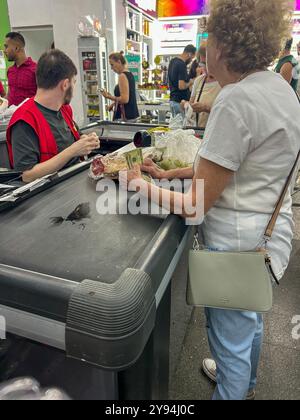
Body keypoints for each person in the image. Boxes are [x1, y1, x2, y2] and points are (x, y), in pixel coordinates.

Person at [120, 0, 300, 400]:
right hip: (268, 237)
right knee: (249, 319)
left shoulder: (235, 101)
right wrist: (168, 174)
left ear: (225, 44)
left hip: (234, 247)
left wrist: (139, 183)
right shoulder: (280, 91)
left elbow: (195, 205)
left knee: (229, 341)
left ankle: (234, 388)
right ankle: (247, 383)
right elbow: (236, 166)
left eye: (209, 38)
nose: (205, 48)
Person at [6, 49, 100, 183]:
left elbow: (76, 139)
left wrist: (86, 141)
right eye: (74, 82)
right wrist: (73, 150)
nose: (74, 88)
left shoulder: (64, 109)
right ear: (65, 84)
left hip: (73, 181)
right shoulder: (24, 120)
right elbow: (26, 175)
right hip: (49, 194)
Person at [182, 44, 222, 128]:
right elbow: (192, 102)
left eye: (208, 63)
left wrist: (206, 108)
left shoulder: (224, 82)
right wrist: (186, 105)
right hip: (199, 132)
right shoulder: (199, 81)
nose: (206, 68)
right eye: (202, 64)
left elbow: (226, 113)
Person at [100, 52, 139, 122]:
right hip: (131, 114)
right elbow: (127, 96)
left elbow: (125, 99)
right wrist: (113, 104)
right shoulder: (129, 74)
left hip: (125, 117)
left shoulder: (122, 76)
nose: (111, 68)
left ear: (119, 62)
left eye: (112, 65)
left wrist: (108, 96)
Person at [4, 32, 37, 106]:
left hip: (28, 116)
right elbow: (9, 95)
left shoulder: (36, 69)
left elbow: (42, 97)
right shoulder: (10, 71)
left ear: (16, 48)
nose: (4, 50)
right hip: (10, 116)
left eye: (6, 46)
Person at [168, 45, 197, 117]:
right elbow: (181, 86)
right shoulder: (181, 64)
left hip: (173, 100)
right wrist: (191, 82)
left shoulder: (173, 61)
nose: (190, 61)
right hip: (179, 102)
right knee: (181, 126)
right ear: (189, 54)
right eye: (191, 58)